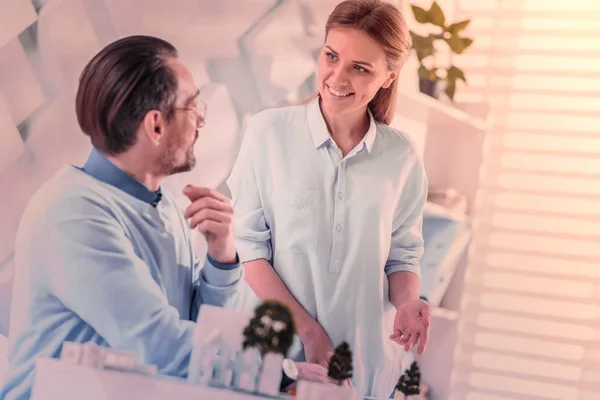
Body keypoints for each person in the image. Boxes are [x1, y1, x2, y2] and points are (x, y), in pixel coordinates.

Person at [0, 35, 331, 400]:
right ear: (155, 125)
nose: (202, 120)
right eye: (192, 107)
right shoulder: (74, 215)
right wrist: (282, 371)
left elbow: (198, 335)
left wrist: (222, 259)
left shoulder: (167, 205)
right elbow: (158, 343)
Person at [227, 0, 432, 397]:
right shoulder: (268, 132)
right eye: (331, 56)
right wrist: (311, 334)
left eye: (360, 67)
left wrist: (407, 303)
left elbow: (402, 257)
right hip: (278, 357)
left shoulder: (402, 156)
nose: (337, 76)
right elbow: (250, 253)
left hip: (366, 366)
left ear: (389, 77)